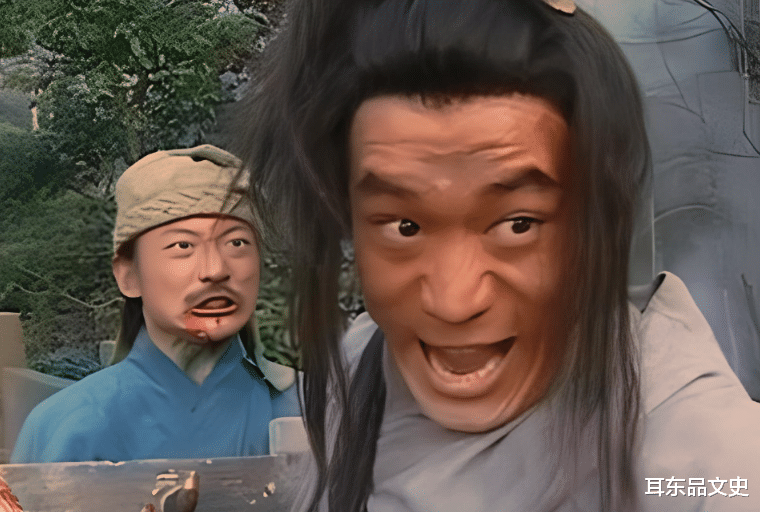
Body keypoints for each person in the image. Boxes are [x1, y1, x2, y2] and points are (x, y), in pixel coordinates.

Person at [233, 0, 760, 511]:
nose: (454, 301)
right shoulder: (360, 364)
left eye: (518, 224)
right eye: (405, 227)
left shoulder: (698, 448)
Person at [11, 145, 299, 463]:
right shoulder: (66, 429)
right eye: (183, 245)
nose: (216, 269)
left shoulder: (313, 411)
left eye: (236, 242)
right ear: (129, 275)